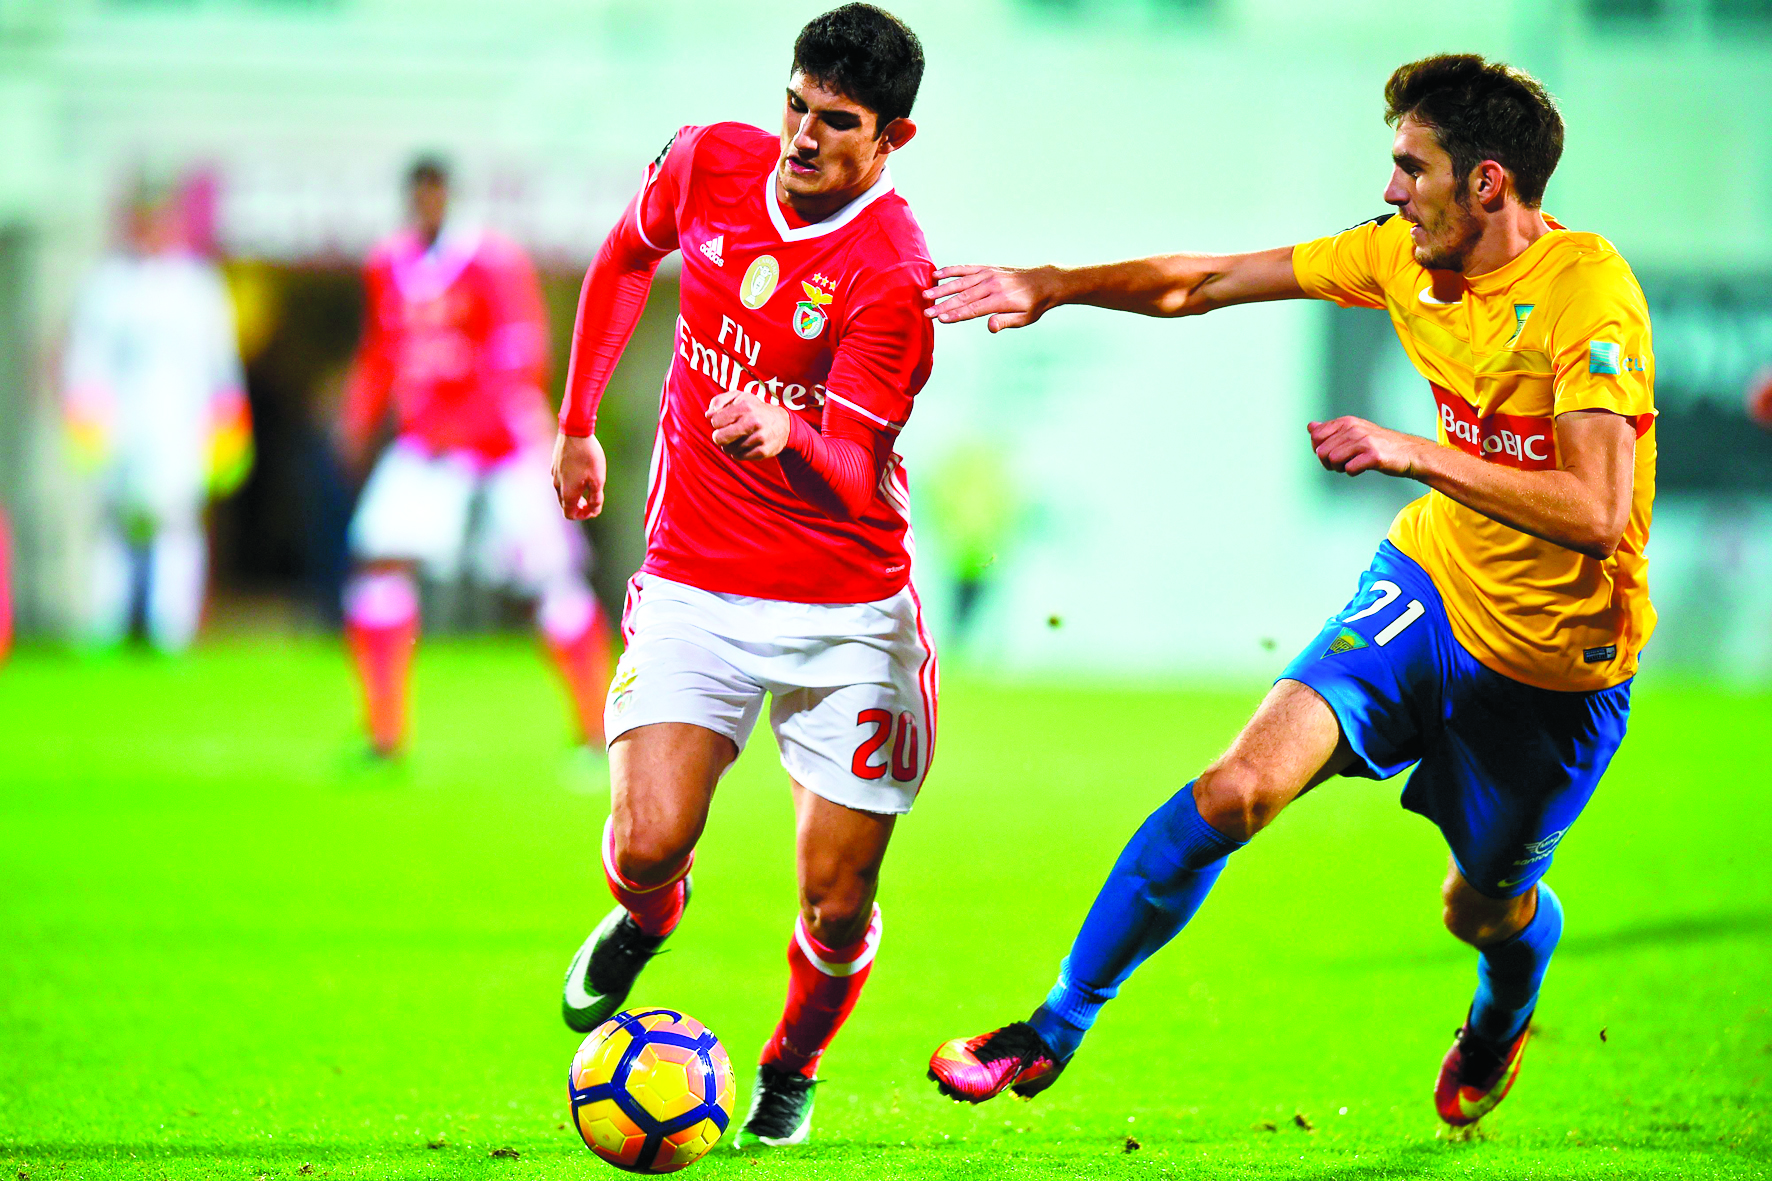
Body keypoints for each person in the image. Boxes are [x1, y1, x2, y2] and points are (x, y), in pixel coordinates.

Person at [923, 54, 1655, 1129]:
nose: (1393, 190)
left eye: (1412, 167)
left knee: (1478, 906)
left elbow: (1596, 510)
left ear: (1486, 183)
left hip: (1559, 668)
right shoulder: (1396, 257)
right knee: (1236, 789)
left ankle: (1500, 1015)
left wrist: (1414, 453)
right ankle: (1050, 1025)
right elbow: (1204, 281)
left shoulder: (1587, 297)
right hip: (1430, 593)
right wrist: (1053, 284)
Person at [551, 4, 935, 1150]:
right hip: (695, 582)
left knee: (835, 897)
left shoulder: (892, 273)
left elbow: (861, 475)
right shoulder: (709, 162)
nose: (802, 137)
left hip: (846, 612)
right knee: (646, 842)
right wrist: (577, 424)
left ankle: (789, 1063)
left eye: (838, 122)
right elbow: (624, 255)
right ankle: (642, 916)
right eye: (796, 105)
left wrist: (789, 427)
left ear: (891, 140)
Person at [339, 157, 613, 760]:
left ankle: (598, 733)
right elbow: (381, 351)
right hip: (429, 443)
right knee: (380, 565)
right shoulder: (388, 264)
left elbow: (520, 359)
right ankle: (383, 736)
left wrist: (462, 426)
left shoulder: (494, 260)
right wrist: (358, 416)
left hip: (505, 445)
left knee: (553, 581)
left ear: (448, 195)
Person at [62, 179, 252, 653]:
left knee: (176, 519)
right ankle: (107, 622)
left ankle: (172, 627)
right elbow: (85, 357)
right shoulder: (108, 283)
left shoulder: (196, 284)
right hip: (121, 420)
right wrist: (84, 415)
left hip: (179, 421)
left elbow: (219, 362)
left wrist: (227, 422)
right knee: (115, 521)